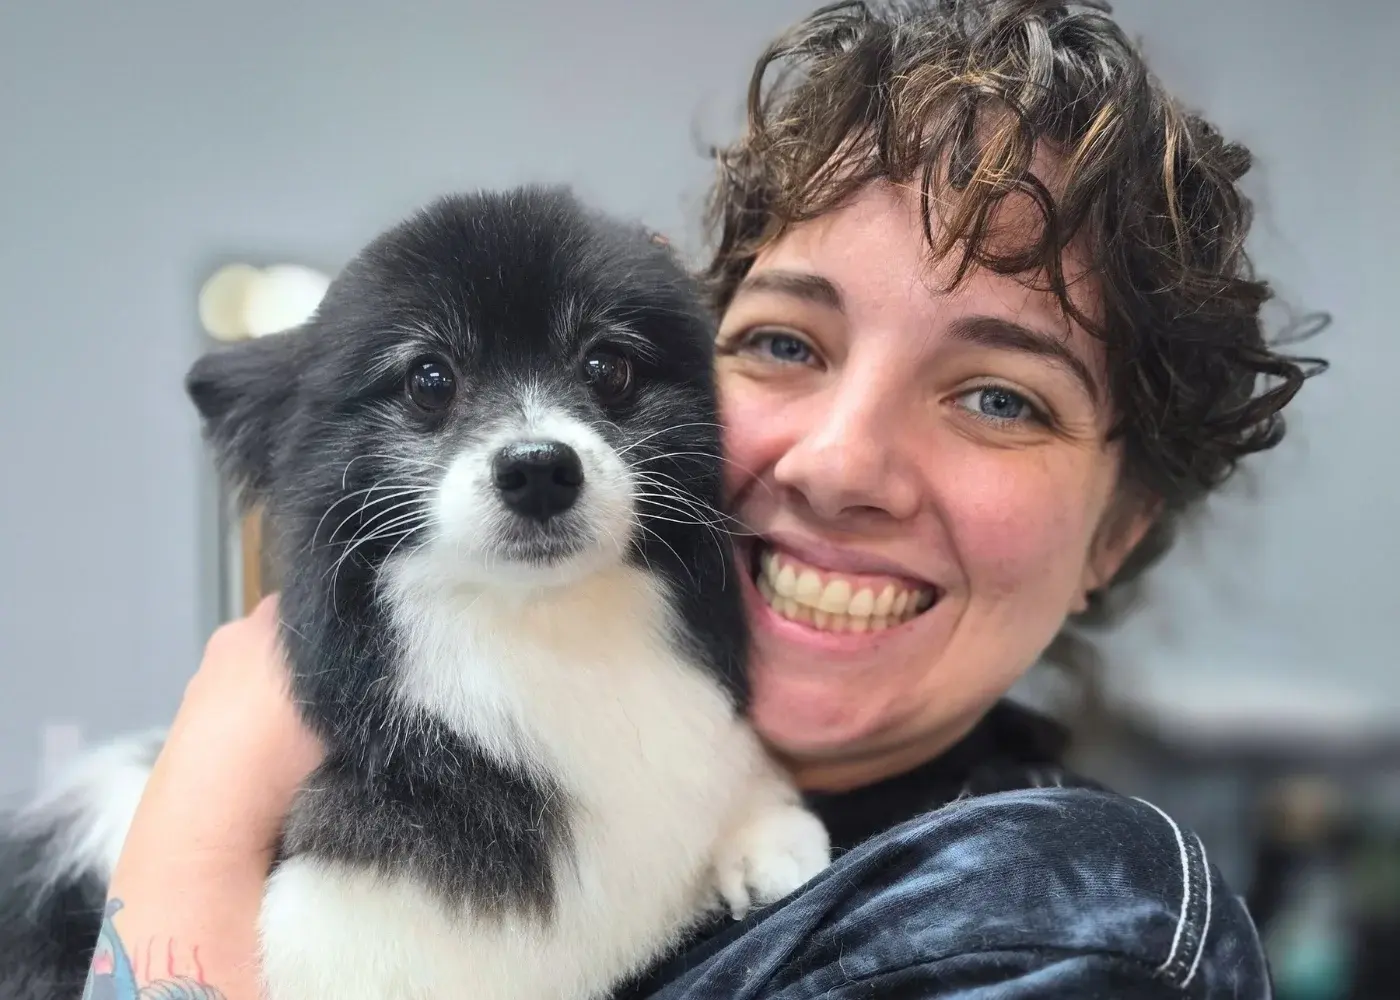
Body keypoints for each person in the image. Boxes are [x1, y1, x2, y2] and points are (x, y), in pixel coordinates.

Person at [95, 1, 1323, 997]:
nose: (838, 465)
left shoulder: (1061, 924)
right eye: (785, 344)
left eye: (999, 397)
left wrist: (201, 819)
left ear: (1116, 532)